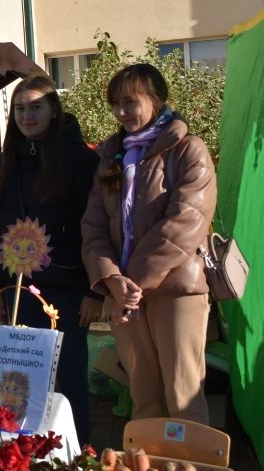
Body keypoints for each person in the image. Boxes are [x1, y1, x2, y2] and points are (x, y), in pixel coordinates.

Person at [81, 63, 216, 424]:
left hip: (176, 290)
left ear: (156, 100)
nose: (120, 112)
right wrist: (111, 279)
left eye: (130, 101)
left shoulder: (189, 150)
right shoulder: (111, 156)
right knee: (143, 398)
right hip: (122, 293)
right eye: (115, 103)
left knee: (182, 396)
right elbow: (93, 227)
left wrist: (131, 283)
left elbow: (186, 222)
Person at [0, 75, 101, 443]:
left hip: (66, 291)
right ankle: (21, 457)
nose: (26, 115)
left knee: (70, 381)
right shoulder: (2, 162)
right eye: (19, 108)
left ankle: (79, 458)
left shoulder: (81, 160)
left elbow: (94, 228)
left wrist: (94, 291)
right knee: (19, 382)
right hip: (17, 291)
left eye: (36, 106)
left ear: (53, 110)